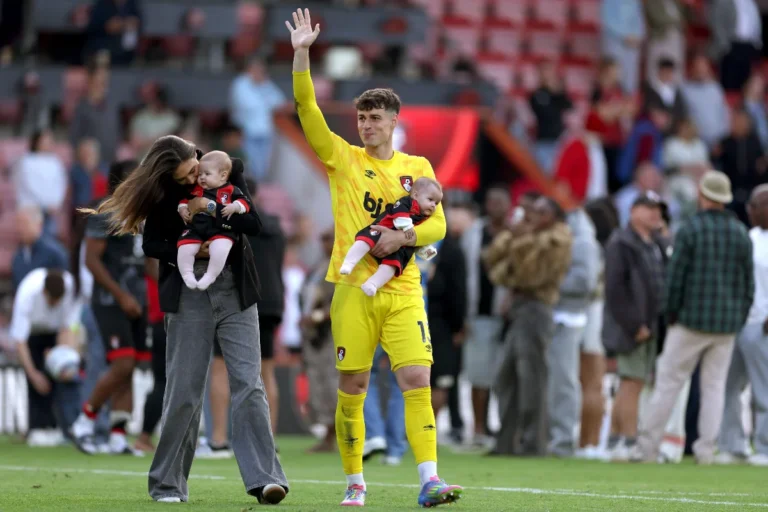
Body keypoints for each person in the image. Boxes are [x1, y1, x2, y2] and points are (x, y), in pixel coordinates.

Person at [286, 8, 461, 507]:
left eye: (375, 119)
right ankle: (354, 482)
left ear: (393, 122)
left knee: (416, 379)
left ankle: (429, 479)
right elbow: (307, 112)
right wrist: (302, 54)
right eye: (361, 118)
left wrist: (401, 241)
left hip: (403, 289)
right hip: (351, 289)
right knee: (354, 385)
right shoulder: (342, 158)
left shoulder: (418, 167)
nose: (366, 126)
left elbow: (440, 223)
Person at [81, 135, 287, 504]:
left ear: (197, 155)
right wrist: (187, 246)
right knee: (184, 391)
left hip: (236, 290)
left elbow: (251, 221)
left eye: (196, 168)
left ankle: (266, 479)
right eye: (186, 176)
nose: (196, 177)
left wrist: (225, 230)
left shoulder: (228, 169)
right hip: (188, 294)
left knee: (249, 384)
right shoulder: (162, 196)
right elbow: (152, 246)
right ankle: (168, 484)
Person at [632, 170, 754, 464]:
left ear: (702, 195)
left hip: (689, 322)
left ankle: (646, 448)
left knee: (668, 383)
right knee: (714, 388)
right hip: (725, 325)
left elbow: (675, 279)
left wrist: (670, 314)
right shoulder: (740, 233)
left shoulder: (690, 230)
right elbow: (748, 285)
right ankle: (704, 451)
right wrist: (737, 317)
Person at [70, 160, 152, 456]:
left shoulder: (143, 214)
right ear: (120, 182)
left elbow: (149, 262)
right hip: (110, 301)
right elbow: (92, 261)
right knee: (123, 364)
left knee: (131, 370)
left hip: (139, 302)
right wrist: (121, 296)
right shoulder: (105, 212)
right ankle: (84, 421)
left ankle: (118, 436)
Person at [484, 196, 573, 456]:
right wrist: (513, 239)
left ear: (553, 217)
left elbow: (529, 275)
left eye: (541, 212)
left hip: (536, 309)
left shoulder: (558, 238)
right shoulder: (529, 235)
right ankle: (507, 441)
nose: (532, 216)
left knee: (532, 378)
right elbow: (493, 263)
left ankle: (533, 443)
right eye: (532, 211)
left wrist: (518, 240)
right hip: (520, 308)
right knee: (506, 377)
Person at [602, 193, 669, 461]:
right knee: (632, 382)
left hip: (649, 325)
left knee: (630, 383)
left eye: (658, 209)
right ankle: (629, 442)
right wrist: (634, 324)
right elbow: (615, 290)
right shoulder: (622, 242)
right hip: (632, 327)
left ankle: (616, 440)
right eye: (649, 208)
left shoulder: (655, 242)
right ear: (633, 211)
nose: (655, 214)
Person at [716, 184, 768, 466]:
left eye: (756, 205)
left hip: (763, 324)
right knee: (728, 386)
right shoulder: (749, 237)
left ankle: (765, 448)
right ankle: (732, 444)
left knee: (764, 391)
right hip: (737, 322)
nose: (750, 210)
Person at [10, 268, 82, 446]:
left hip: (55, 335)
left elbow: (68, 328)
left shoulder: (70, 288)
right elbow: (20, 341)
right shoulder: (28, 293)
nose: (55, 304)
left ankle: (59, 427)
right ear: (44, 292)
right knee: (37, 383)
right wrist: (34, 375)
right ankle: (36, 427)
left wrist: (66, 361)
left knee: (59, 380)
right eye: (51, 300)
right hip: (32, 336)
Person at [341, 177, 443, 296]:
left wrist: (424, 249)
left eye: (436, 203)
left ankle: (373, 284)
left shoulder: (424, 218)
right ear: (415, 195)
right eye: (430, 200)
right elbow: (399, 213)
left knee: (392, 265)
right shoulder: (406, 202)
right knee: (365, 240)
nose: (433, 205)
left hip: (399, 248)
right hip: (383, 229)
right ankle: (349, 263)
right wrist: (407, 226)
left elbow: (419, 237)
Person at [177, 151, 250, 290]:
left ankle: (210, 275)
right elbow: (185, 201)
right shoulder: (197, 190)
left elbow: (245, 203)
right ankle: (187, 274)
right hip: (196, 229)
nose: (202, 178)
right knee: (185, 247)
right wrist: (182, 209)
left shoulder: (231, 190)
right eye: (200, 174)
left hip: (220, 231)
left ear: (223, 175)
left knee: (220, 249)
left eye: (207, 174)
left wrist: (235, 207)